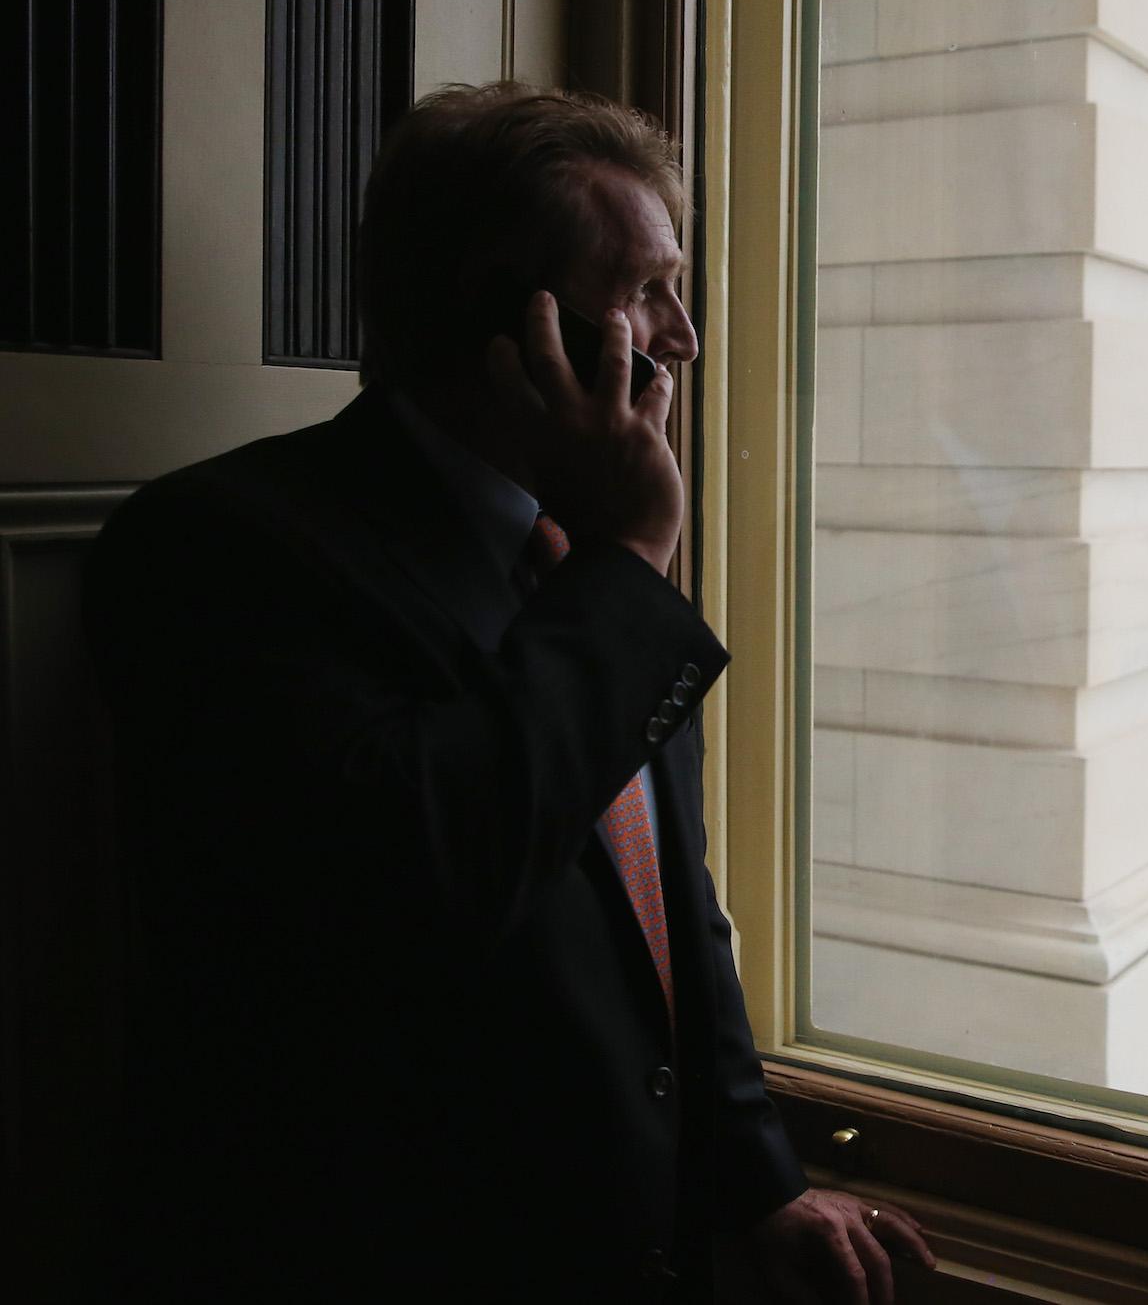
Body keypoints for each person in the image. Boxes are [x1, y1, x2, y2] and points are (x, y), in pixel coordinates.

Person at [83, 83, 931, 1302]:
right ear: (506, 324)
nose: (683, 337)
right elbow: (424, 865)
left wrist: (754, 1182)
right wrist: (633, 561)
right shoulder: (215, 549)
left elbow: (663, 899)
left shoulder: (569, 554)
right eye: (643, 291)